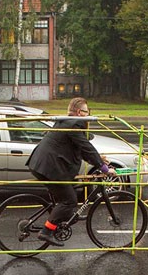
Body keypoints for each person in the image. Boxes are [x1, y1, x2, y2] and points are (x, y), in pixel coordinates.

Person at [26, 97, 116, 247]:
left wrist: (99, 160)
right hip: (50, 167)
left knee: (69, 191)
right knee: (69, 201)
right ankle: (46, 231)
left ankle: (61, 219)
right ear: (80, 112)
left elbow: (82, 150)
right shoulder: (74, 125)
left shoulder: (67, 122)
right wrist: (104, 168)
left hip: (44, 164)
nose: (89, 116)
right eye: (88, 112)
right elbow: (86, 147)